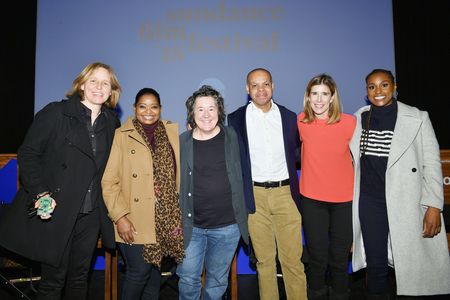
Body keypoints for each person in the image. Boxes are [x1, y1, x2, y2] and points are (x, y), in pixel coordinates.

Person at [0, 62, 121, 299]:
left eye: (105, 82)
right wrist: (41, 193)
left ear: (112, 90)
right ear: (82, 85)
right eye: (93, 81)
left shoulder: (111, 123)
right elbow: (28, 154)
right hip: (59, 210)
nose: (99, 87)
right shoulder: (57, 112)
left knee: (79, 280)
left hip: (91, 214)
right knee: (53, 281)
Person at [350, 69, 450, 299]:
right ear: (366, 92)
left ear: (395, 87)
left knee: (413, 265)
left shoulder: (417, 117)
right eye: (372, 87)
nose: (378, 91)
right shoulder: (359, 118)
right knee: (375, 264)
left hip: (406, 199)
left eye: (384, 85)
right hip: (370, 200)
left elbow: (432, 164)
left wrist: (434, 205)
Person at [228, 68, 307, 300]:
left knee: (292, 261)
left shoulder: (290, 117)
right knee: (264, 262)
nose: (261, 90)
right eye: (255, 85)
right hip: (254, 197)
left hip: (286, 195)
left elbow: (302, 153)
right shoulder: (235, 120)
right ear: (247, 89)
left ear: (273, 86)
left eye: (265, 84)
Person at [101, 88, 184, 300]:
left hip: (163, 219)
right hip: (133, 219)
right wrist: (120, 217)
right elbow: (109, 181)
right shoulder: (122, 135)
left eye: (154, 106)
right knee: (139, 273)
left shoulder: (171, 133)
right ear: (134, 108)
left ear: (160, 109)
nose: (148, 111)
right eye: (142, 106)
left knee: (153, 276)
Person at [177, 85, 249, 300]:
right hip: (192, 227)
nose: (206, 114)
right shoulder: (181, 142)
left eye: (211, 108)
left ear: (219, 112)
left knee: (217, 282)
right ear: (192, 113)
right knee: (188, 279)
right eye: (200, 109)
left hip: (228, 227)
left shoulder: (234, 137)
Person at [297, 74, 355, 300]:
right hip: (312, 201)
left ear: (332, 97)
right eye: (314, 94)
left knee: (340, 258)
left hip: (344, 201)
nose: (319, 99)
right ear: (308, 97)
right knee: (317, 258)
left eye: (324, 94)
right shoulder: (301, 121)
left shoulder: (350, 122)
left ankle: (341, 294)